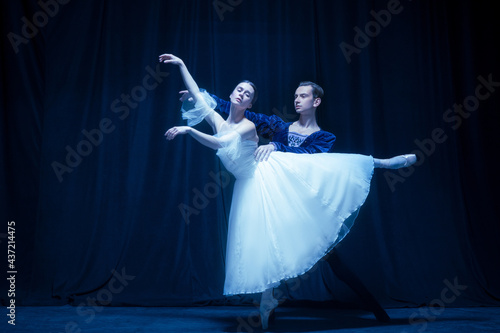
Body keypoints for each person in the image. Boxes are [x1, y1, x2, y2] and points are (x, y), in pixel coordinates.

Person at [160, 53, 415, 329]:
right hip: (269, 188)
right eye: (295, 95)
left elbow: (310, 161)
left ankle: (378, 163)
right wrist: (194, 81)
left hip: (301, 197)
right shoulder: (278, 125)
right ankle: (268, 299)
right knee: (266, 241)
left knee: (333, 258)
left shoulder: (324, 137)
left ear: (315, 101)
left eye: (302, 96)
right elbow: (229, 106)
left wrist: (276, 146)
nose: (296, 99)